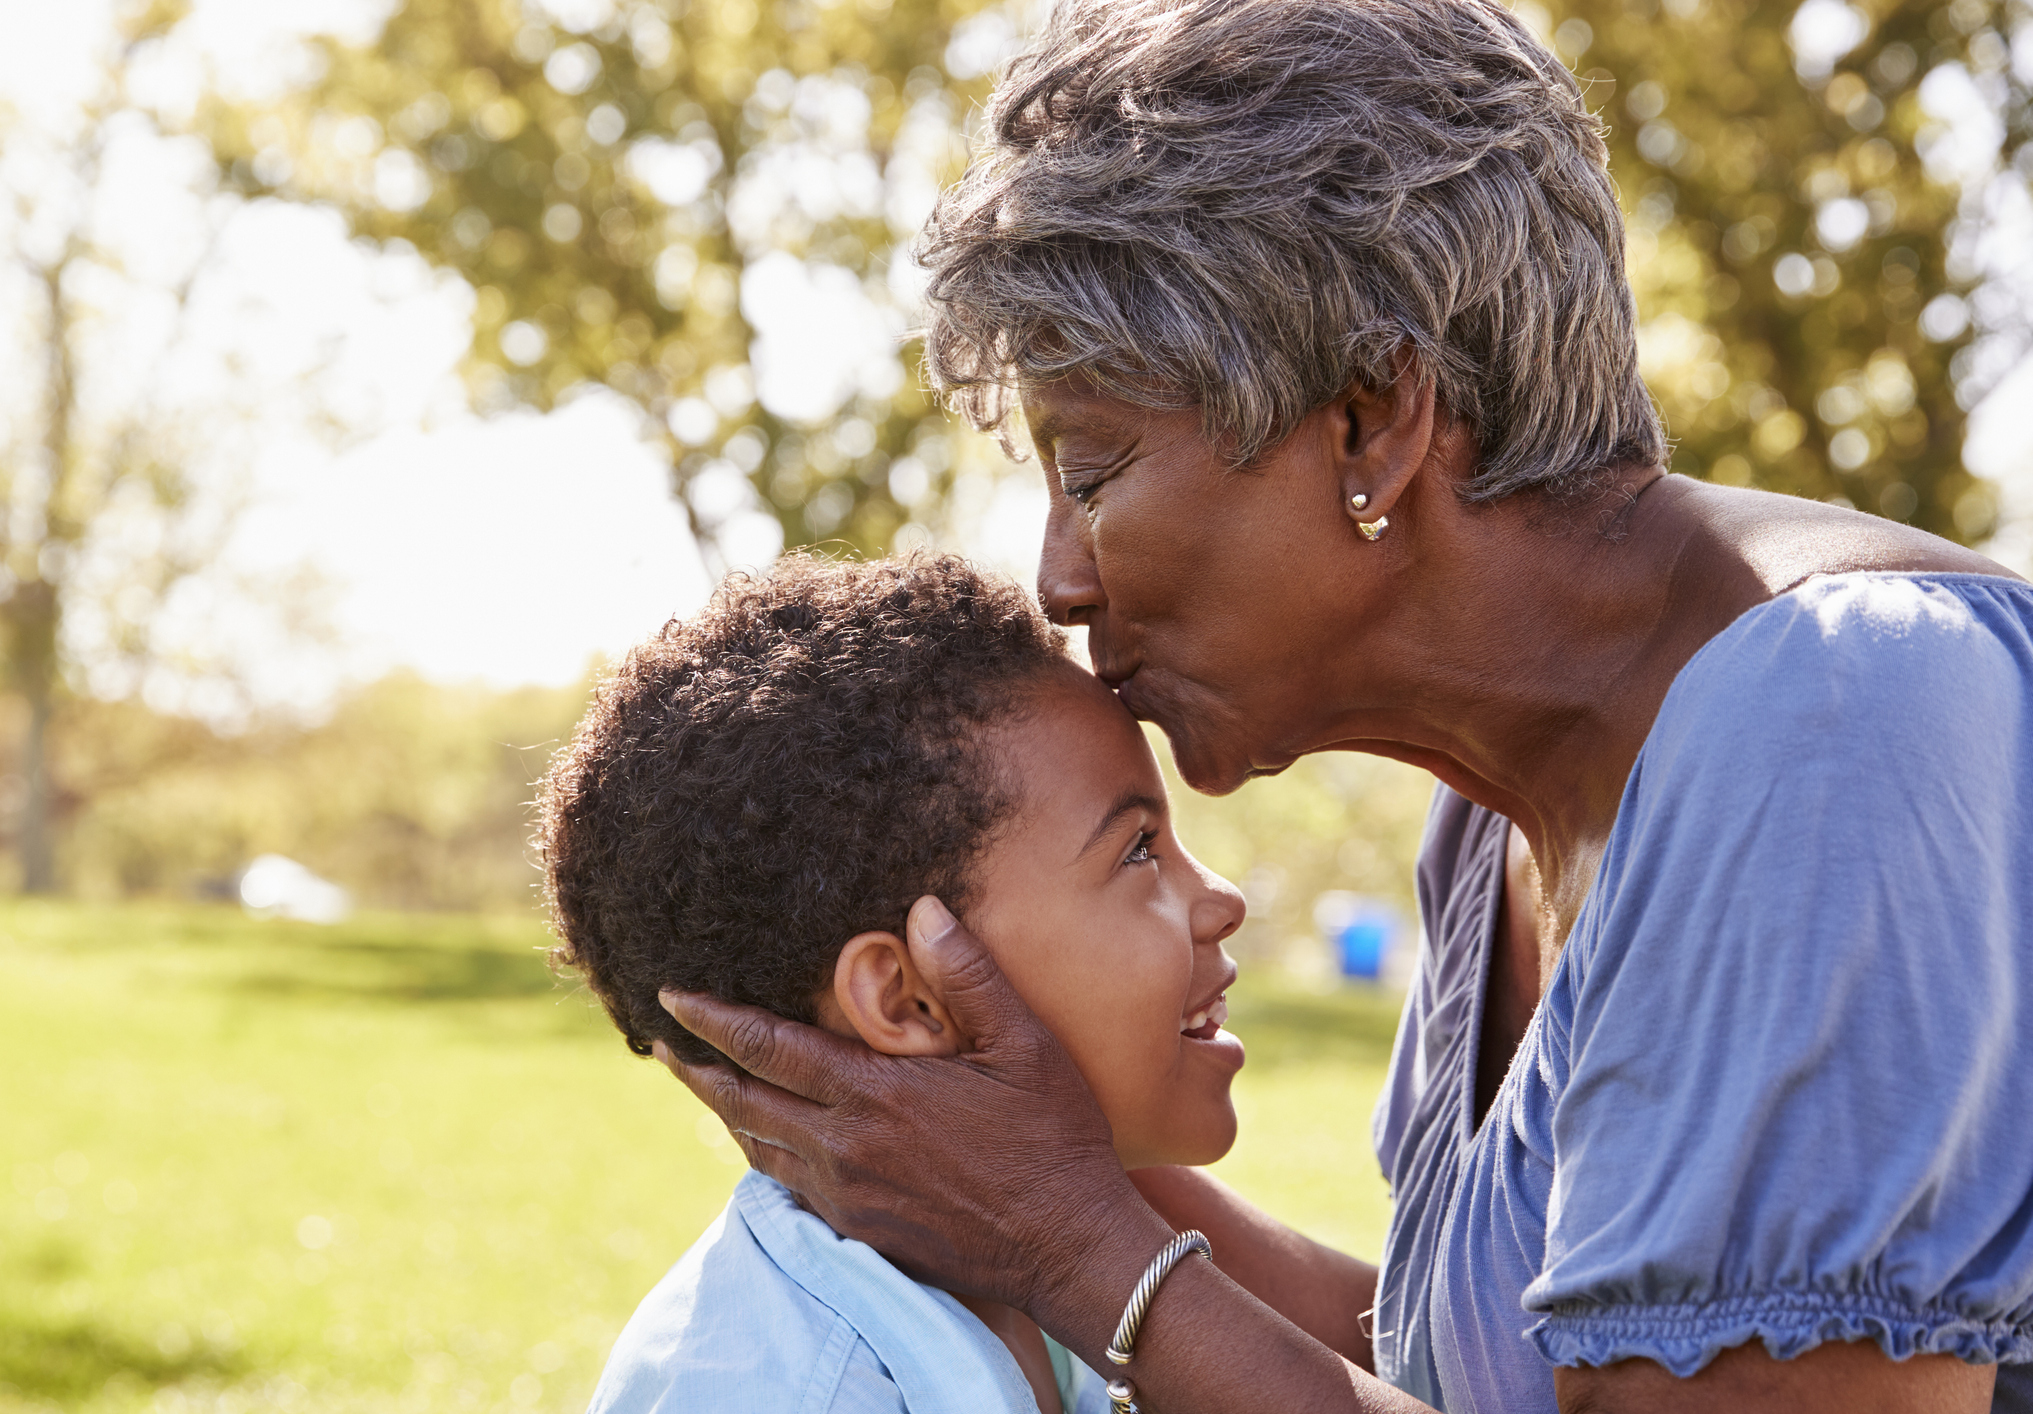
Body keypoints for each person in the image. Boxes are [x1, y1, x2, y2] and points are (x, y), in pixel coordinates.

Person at [653, 0, 2033, 1410]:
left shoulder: (1837, 718)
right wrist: (1004, 1145)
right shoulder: (1492, 819)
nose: (1058, 580)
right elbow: (1479, 1370)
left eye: (1091, 473)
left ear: (1372, 419)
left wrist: (1076, 1241)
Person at [539, 554, 1251, 1413]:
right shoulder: (781, 1390)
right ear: (907, 1000)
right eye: (1137, 850)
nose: (1220, 899)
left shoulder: (1040, 1306)